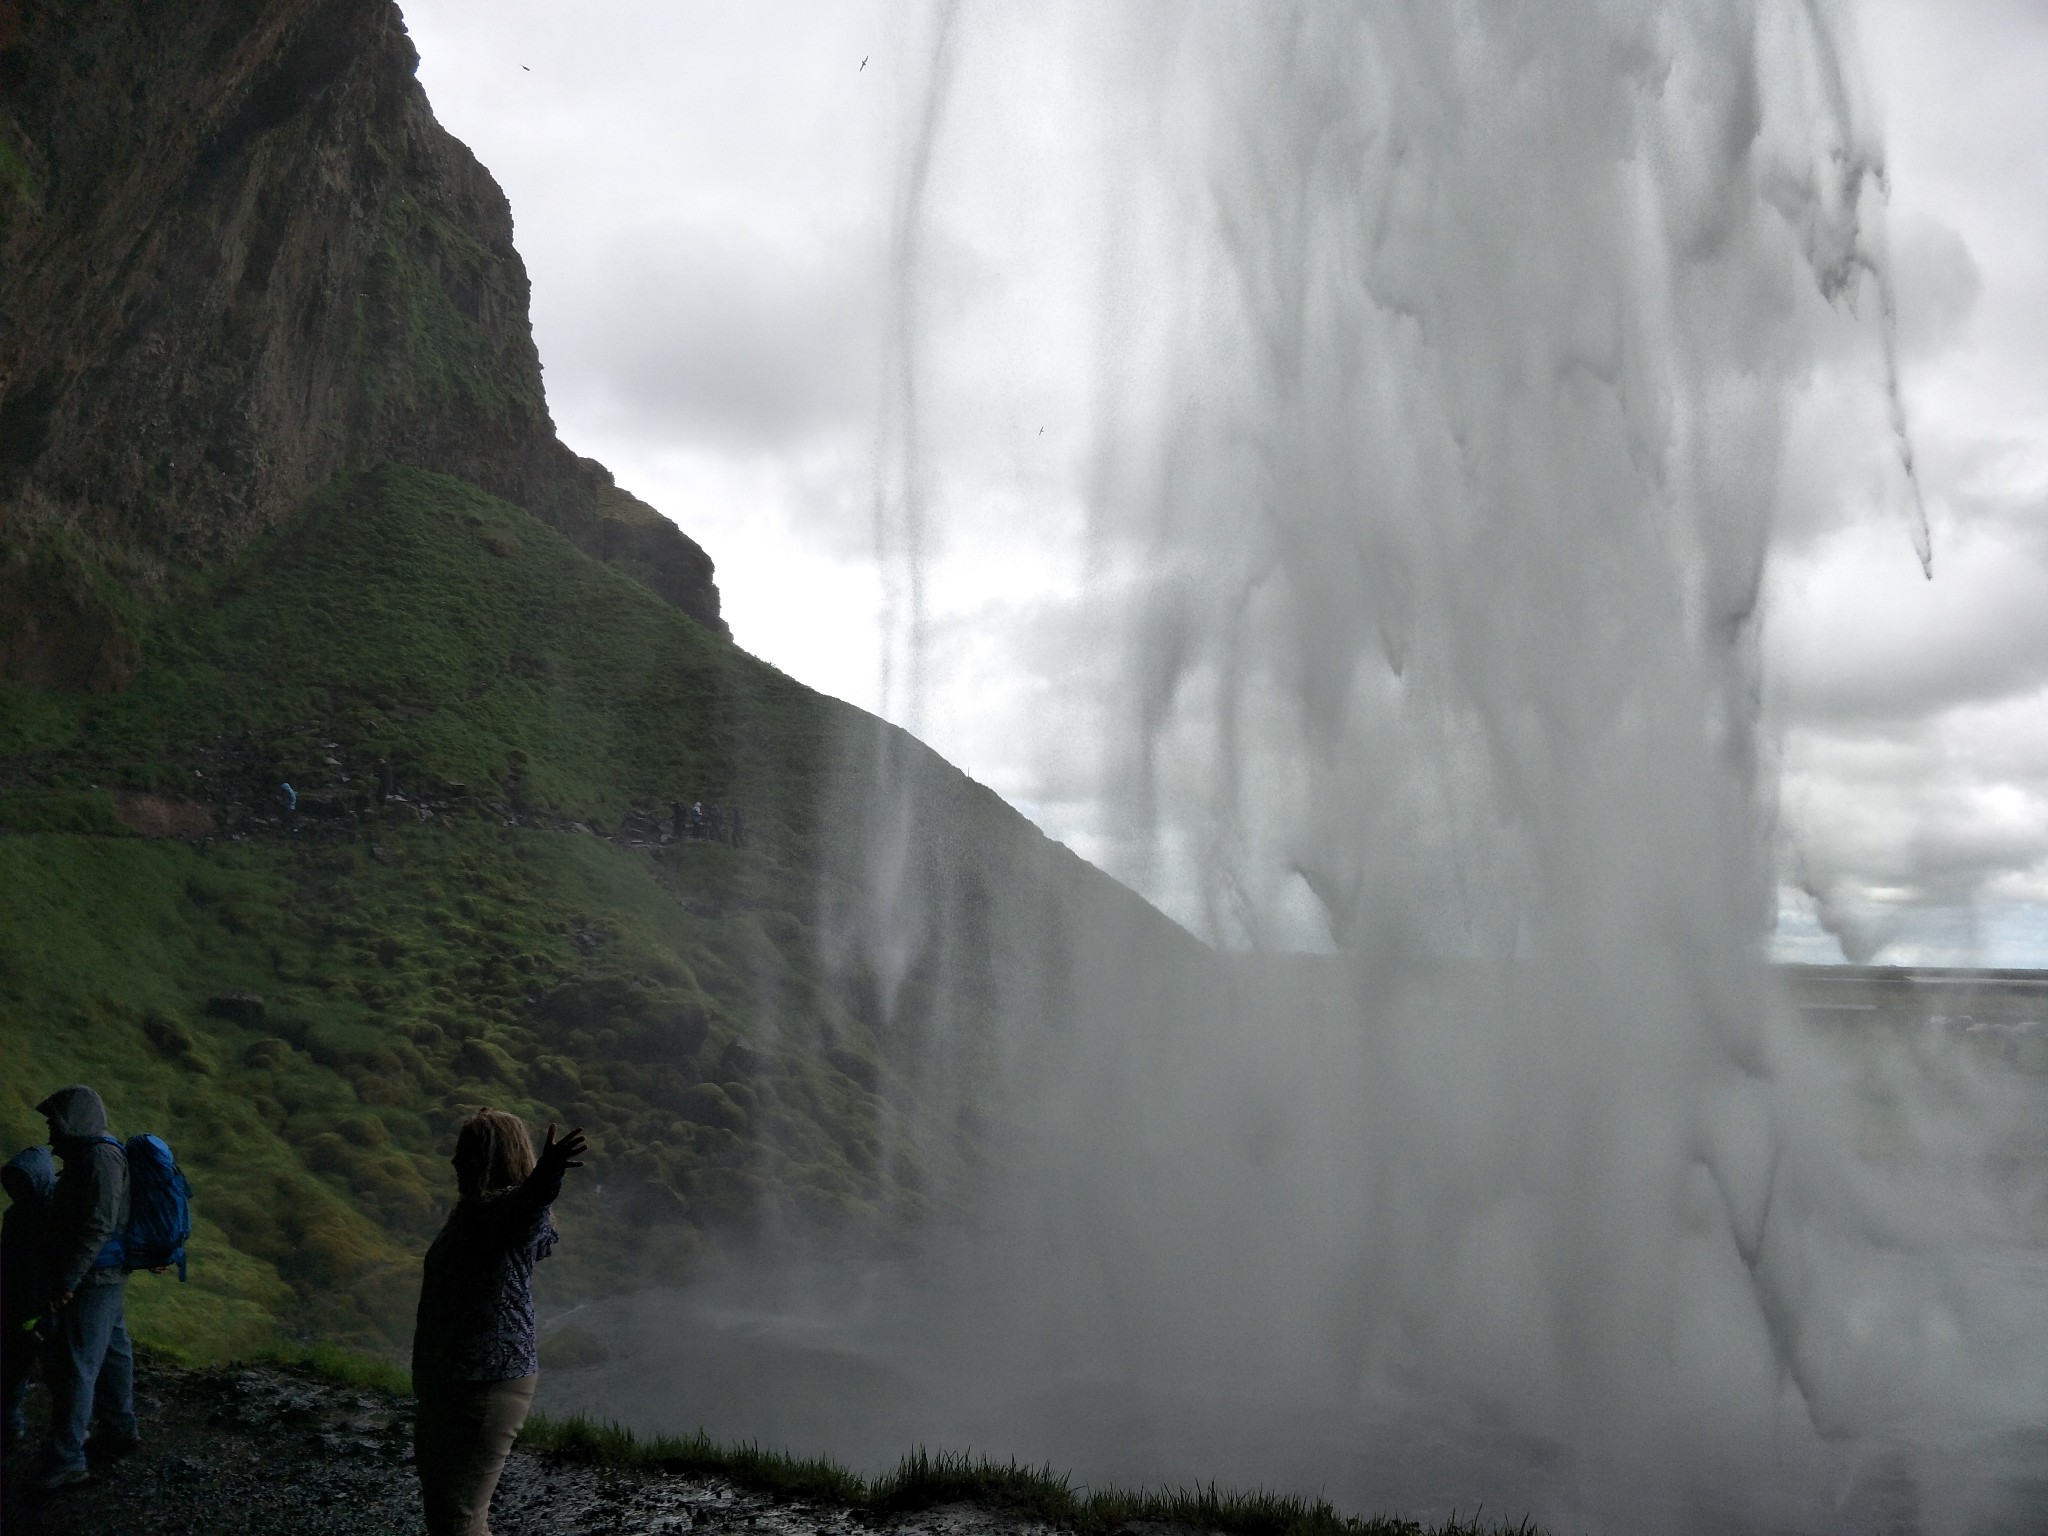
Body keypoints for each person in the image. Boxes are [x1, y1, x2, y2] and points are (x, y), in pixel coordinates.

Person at [412, 1111, 586, 1536]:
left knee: (459, 1519)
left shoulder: (500, 1215)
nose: (455, 1161)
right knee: (450, 1515)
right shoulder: (474, 1215)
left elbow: (527, 1208)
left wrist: (546, 1176)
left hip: (485, 1388)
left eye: (466, 1152)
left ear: (491, 1157)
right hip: (457, 1384)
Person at [34, 1086, 137, 1489]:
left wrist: (67, 1282)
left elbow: (97, 1226)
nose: (50, 1130)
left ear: (74, 1119)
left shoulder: (100, 1158)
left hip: (96, 1278)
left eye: (54, 1121)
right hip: (103, 1275)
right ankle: (118, 1427)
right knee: (113, 1350)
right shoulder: (93, 1154)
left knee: (77, 1365)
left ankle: (67, 1459)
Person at [2, 1145, 55, 1456]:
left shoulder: (42, 1215)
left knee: (18, 1365)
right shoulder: (36, 1211)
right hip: (21, 1302)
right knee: (15, 1365)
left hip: (33, 1303)